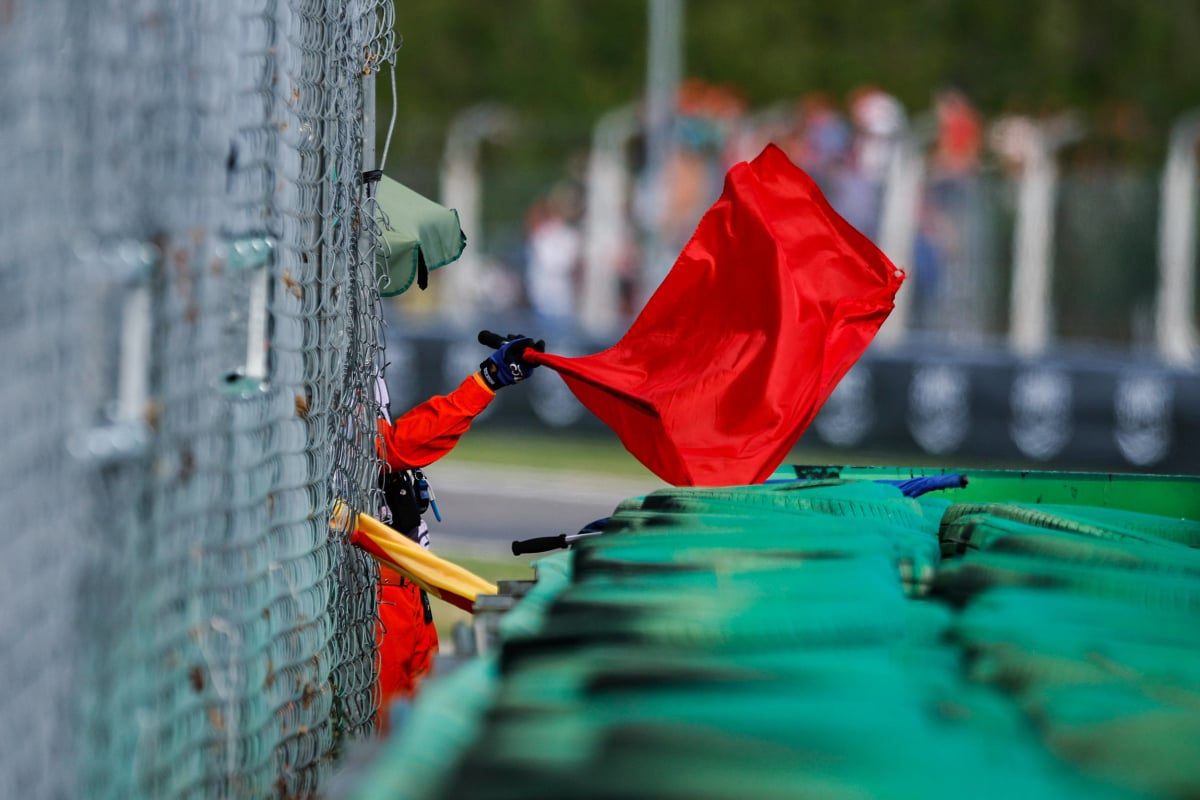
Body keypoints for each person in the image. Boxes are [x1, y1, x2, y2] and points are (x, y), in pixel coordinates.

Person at [371, 333, 544, 728]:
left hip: (407, 568)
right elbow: (392, 449)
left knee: (421, 719)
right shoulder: (326, 368)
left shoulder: (352, 351)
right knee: (386, 731)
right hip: (375, 581)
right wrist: (485, 381)